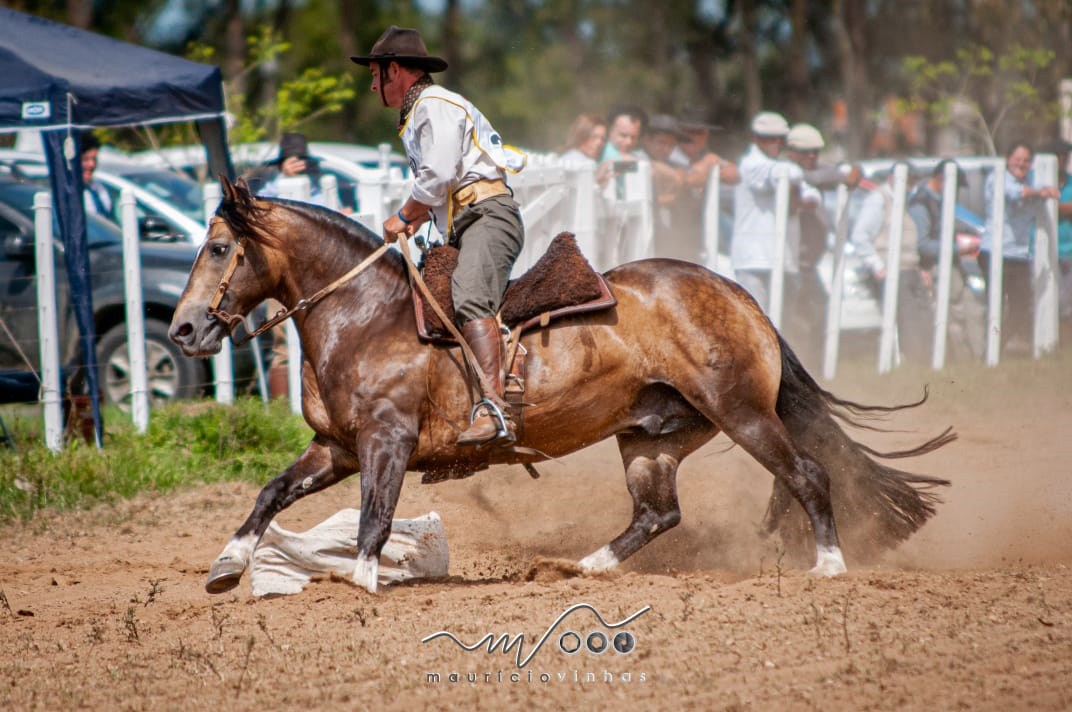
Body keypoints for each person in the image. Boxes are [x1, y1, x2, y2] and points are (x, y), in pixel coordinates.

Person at [351, 25, 526, 446]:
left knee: (467, 297)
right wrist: (422, 213)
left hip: (486, 214)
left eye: (375, 75)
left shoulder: (433, 104)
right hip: (469, 216)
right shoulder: (421, 111)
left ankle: (495, 411)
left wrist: (404, 214)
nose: (373, 85)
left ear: (395, 70)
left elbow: (441, 173)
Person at [979, 141, 1060, 352]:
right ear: (1008, 160)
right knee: (995, 304)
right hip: (994, 252)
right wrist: (1041, 192)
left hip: (1019, 254)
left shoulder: (1032, 182)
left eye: (1026, 161)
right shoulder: (997, 179)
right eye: (1017, 159)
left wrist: (1044, 192)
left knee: (1022, 306)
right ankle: (987, 350)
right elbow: (1016, 193)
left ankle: (997, 346)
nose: (1021, 164)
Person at [850, 164, 933, 365]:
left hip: (910, 269)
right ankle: (915, 363)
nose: (911, 186)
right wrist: (877, 266)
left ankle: (925, 362)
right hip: (891, 271)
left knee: (924, 314)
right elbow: (860, 236)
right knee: (910, 318)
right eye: (909, 181)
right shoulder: (879, 199)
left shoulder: (902, 202)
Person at [907, 159, 985, 359]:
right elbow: (922, 244)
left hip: (950, 266)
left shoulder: (936, 201)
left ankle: (973, 359)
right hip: (936, 267)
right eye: (957, 187)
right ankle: (964, 361)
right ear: (942, 180)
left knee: (965, 311)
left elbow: (950, 225)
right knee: (954, 316)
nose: (958, 192)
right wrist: (958, 248)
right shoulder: (921, 203)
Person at [730, 111, 804, 314]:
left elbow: (810, 194)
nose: (775, 143)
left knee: (784, 324)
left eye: (780, 138)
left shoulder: (779, 163)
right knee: (757, 322)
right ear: (755, 138)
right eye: (769, 138)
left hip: (781, 257)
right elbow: (788, 173)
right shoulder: (751, 164)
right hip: (754, 259)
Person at [258, 132, 327, 206]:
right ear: (280, 166)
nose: (298, 166)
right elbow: (261, 202)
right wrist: (284, 177)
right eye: (293, 163)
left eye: (301, 160)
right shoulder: (272, 190)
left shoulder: (320, 186)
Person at [80, 133, 112, 219]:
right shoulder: (68, 193)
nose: (92, 164)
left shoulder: (99, 188)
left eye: (94, 159)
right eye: (85, 159)